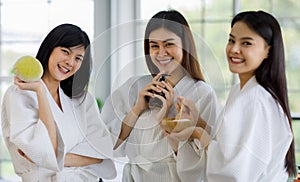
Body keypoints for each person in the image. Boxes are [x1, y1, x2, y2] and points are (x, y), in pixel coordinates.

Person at [168, 10, 297, 181]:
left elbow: (234, 170)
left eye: (246, 43)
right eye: (231, 40)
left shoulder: (256, 99)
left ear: (268, 50)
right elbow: (229, 149)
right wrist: (197, 121)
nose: (234, 49)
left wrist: (197, 133)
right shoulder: (240, 91)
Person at [101, 10, 219, 182]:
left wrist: (169, 121)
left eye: (169, 44)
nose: (161, 52)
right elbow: (106, 143)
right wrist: (137, 109)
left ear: (185, 46)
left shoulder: (202, 93)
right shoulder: (135, 87)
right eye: (154, 45)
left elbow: (208, 160)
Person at [1, 23, 116, 181]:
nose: (70, 62)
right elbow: (42, 150)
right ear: (50, 48)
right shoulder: (19, 95)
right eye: (65, 52)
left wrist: (50, 159)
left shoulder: (83, 100)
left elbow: (103, 152)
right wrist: (41, 91)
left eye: (78, 58)